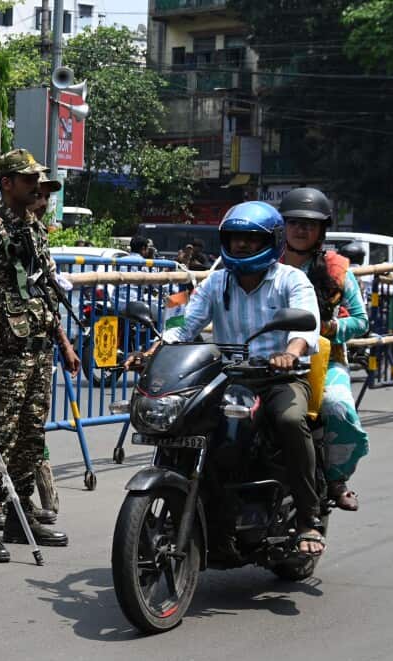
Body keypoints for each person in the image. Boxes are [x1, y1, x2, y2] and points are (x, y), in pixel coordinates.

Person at [130, 201, 325, 556]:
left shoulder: (290, 279)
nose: (242, 246)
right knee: (191, 426)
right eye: (236, 239)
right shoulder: (217, 281)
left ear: (272, 241)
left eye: (252, 239)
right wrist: (153, 350)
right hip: (228, 379)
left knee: (290, 419)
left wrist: (290, 353)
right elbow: (186, 325)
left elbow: (305, 328)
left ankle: (308, 517)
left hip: (278, 378)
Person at [0, 149, 78, 562]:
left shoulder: (36, 231)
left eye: (40, 183)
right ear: (6, 183)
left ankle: (17, 512)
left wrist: (62, 341)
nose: (37, 189)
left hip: (38, 348)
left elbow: (44, 290)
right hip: (5, 353)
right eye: (29, 181)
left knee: (30, 436)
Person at [278, 187, 367, 512]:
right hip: (265, 359)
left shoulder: (338, 270)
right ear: (283, 227)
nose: (301, 229)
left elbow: (360, 322)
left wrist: (329, 328)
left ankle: (336, 479)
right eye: (295, 223)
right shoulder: (263, 262)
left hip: (323, 361)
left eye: (310, 224)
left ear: (321, 230)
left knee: (338, 407)